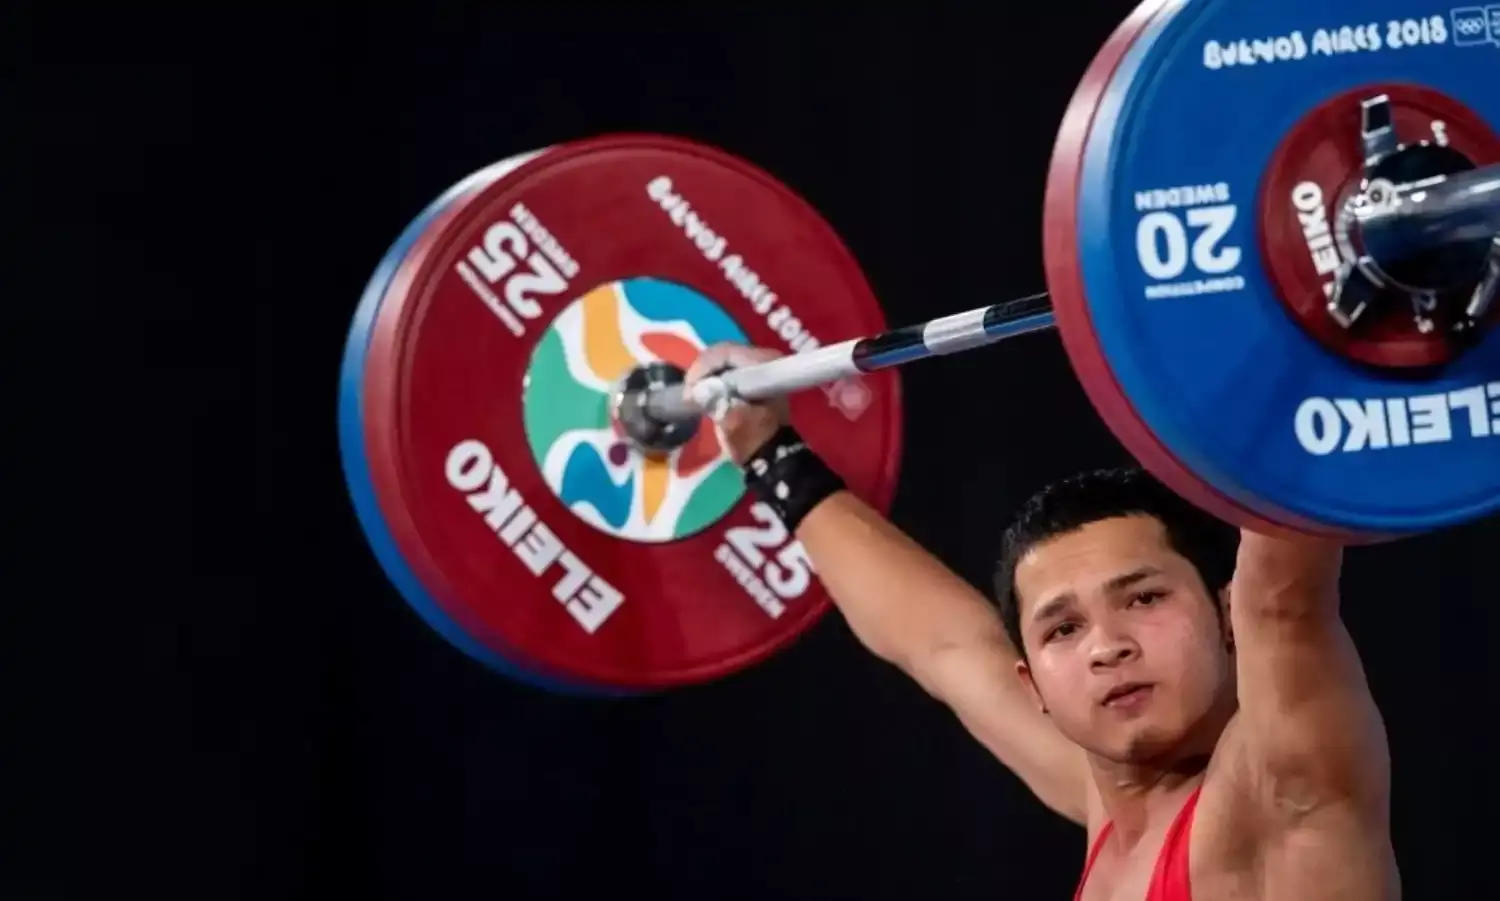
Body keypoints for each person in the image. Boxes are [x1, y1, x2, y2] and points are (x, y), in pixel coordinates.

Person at [684, 343, 1399, 901]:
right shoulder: (1109, 801)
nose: (1108, 646)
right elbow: (942, 645)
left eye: (1144, 599)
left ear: (1227, 614)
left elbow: (1284, 601)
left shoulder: (1281, 787)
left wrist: (1318, 332)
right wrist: (771, 455)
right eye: (1063, 629)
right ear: (1034, 686)